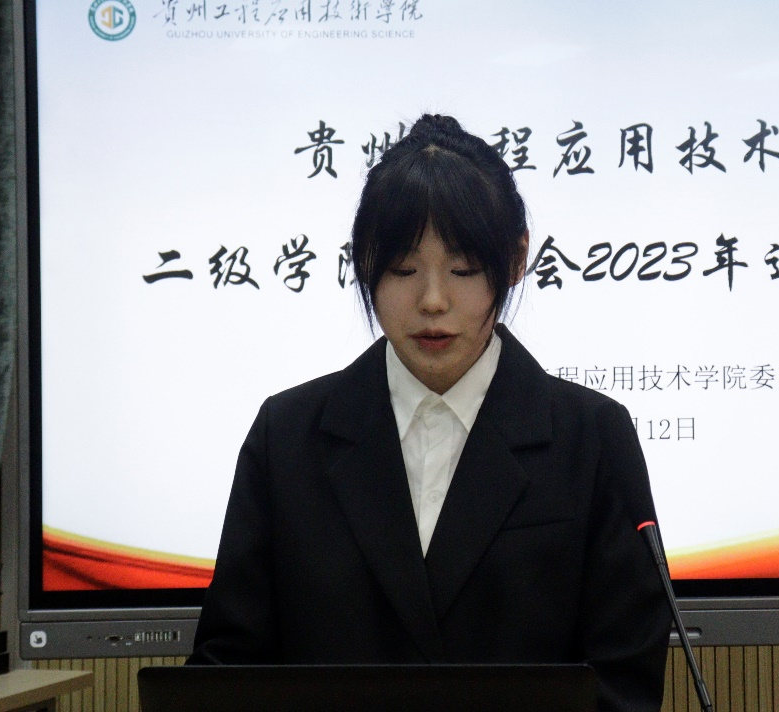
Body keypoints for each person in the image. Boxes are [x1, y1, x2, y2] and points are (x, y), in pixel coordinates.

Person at [188, 114, 671, 711]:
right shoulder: (287, 436)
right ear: (363, 261)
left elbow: (623, 684)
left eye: (463, 270)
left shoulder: (593, 437)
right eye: (403, 270)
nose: (433, 301)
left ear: (516, 258)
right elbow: (227, 672)